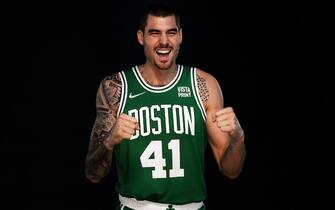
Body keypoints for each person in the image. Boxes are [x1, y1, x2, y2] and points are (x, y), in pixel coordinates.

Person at [85, 2, 245, 210]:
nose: (164, 42)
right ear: (141, 37)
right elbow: (92, 174)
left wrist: (238, 137)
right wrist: (109, 140)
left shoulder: (203, 85)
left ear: (180, 36)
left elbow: (231, 170)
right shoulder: (116, 87)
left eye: (171, 32)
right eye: (154, 33)